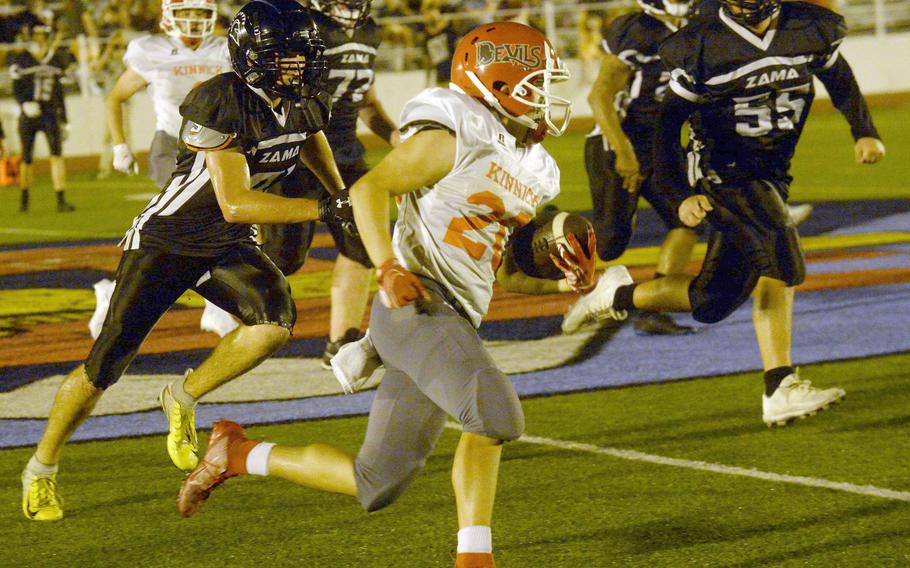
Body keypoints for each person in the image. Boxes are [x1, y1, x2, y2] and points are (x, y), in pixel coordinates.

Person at [177, 21, 581, 568]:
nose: (550, 96)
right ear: (500, 82)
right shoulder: (459, 129)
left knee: (377, 482)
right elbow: (370, 189)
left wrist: (562, 281)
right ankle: (475, 557)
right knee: (496, 415)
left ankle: (239, 454)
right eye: (538, 82)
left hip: (452, 318)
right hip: (415, 305)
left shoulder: (536, 168)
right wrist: (387, 268)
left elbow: (503, 272)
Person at [21, 0, 356, 521]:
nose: (296, 66)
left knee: (273, 324)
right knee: (103, 368)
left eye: (302, 56)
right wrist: (328, 207)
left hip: (227, 242)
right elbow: (235, 201)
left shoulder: (306, 98)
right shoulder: (222, 98)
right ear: (250, 55)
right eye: (283, 56)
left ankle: (182, 393)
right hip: (167, 239)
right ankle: (41, 467)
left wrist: (340, 190)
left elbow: (309, 138)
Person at [563, 0, 886, 426]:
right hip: (722, 169)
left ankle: (615, 295)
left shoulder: (809, 28)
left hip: (773, 171)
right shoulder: (702, 43)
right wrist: (679, 193)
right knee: (782, 257)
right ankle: (779, 384)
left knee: (711, 300)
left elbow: (838, 76)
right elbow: (666, 125)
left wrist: (863, 130)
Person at [259, 0, 400, 368]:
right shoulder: (298, 25)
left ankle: (342, 341)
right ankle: (231, 313)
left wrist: (396, 135)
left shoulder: (370, 30)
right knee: (283, 259)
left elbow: (365, 101)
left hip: (347, 157)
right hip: (296, 156)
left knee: (363, 245)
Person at [89, 0, 235, 340]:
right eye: (188, 12)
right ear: (169, 15)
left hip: (220, 147)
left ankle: (114, 292)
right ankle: (215, 304)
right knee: (209, 219)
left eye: (201, 13)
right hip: (173, 147)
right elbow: (115, 98)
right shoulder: (151, 50)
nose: (195, 20)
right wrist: (120, 145)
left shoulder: (223, 48)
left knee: (187, 231)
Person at [586, 0, 699, 336]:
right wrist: (624, 152)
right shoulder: (639, 30)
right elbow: (599, 96)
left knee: (687, 218)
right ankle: (542, 240)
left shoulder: (698, 27)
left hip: (659, 145)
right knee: (610, 244)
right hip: (618, 142)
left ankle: (655, 308)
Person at [9, 24, 75, 213]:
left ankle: (61, 198)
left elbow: (59, 92)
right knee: (27, 157)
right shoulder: (22, 59)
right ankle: (24, 199)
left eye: (42, 35)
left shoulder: (56, 59)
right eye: (37, 35)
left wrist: (65, 118)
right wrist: (23, 104)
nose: (39, 39)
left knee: (56, 155)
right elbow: (16, 87)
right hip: (29, 114)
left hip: (50, 113)